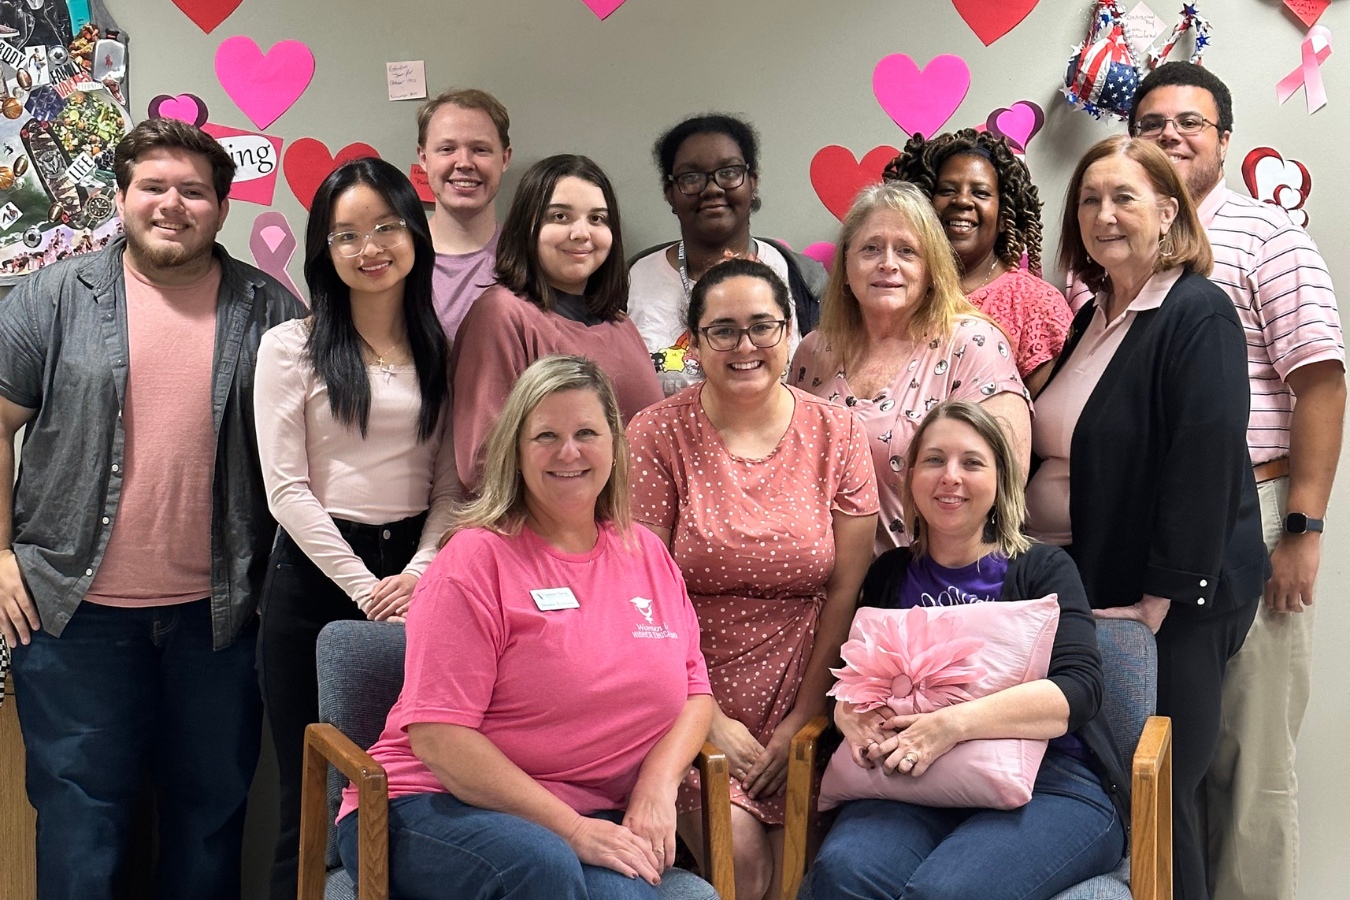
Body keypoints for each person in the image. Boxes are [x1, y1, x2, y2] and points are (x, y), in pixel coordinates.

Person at [0, 118, 304, 900]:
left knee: (209, 820)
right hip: (72, 615)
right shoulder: (52, 296)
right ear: (123, 197)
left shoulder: (270, 310)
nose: (173, 204)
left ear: (221, 207)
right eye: (154, 187)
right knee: (79, 823)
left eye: (193, 191)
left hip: (221, 617)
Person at [1086, 62, 1343, 900]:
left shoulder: (1266, 235)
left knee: (1251, 754)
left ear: (1223, 139)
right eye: (1153, 122)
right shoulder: (1106, 257)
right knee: (1176, 762)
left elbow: (1322, 381)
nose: (1171, 135)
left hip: (1255, 510)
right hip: (1151, 531)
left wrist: (1301, 527)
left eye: (1190, 122)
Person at [335, 355, 714, 900]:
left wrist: (657, 785)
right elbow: (439, 738)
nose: (569, 452)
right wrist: (576, 831)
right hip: (429, 805)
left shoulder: (647, 554)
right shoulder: (474, 560)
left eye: (587, 432)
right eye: (546, 436)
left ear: (615, 445)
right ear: (515, 449)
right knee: (540, 869)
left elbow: (695, 693)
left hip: (586, 815)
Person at [1028, 135, 1267, 900]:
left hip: (1169, 605)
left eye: (1124, 197)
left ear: (1169, 211)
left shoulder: (1196, 311)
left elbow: (1205, 459)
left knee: (1163, 796)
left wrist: (1159, 603)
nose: (1103, 214)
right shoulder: (1093, 316)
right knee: (1117, 794)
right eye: (1090, 199)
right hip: (1098, 588)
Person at [627, 258, 878, 900]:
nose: (746, 346)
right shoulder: (656, 433)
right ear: (694, 340)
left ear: (791, 330)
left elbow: (847, 589)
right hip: (687, 695)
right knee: (744, 866)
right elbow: (642, 597)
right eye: (723, 330)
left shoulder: (839, 430)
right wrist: (702, 713)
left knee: (809, 876)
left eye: (763, 326)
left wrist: (805, 713)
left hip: (808, 690)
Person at [810, 399, 1126, 900]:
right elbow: (852, 677)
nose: (950, 477)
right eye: (934, 460)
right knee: (843, 874)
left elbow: (1079, 691)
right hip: (913, 781)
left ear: (1000, 481)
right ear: (910, 477)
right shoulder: (889, 575)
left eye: (972, 463)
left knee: (946, 893)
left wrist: (951, 725)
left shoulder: (1041, 569)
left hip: (1052, 784)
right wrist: (847, 712)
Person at [253, 157, 457, 900]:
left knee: (412, 786)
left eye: (385, 227)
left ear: (414, 235)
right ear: (324, 251)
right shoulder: (290, 347)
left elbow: (451, 483)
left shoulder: (442, 347)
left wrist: (421, 572)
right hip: (313, 577)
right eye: (346, 235)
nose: (369, 247)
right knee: (305, 800)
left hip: (418, 576)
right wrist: (367, 588)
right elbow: (286, 489)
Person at [790, 181, 1029, 555]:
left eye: (907, 251)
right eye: (871, 248)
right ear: (847, 266)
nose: (888, 263)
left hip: (927, 589)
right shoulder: (813, 352)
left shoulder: (972, 344)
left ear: (931, 268)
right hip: (818, 581)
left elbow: (1003, 487)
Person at [452, 154, 662, 491]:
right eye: (560, 216)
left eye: (597, 218)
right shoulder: (502, 315)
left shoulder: (620, 323)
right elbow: (484, 461)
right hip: (555, 535)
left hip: (637, 532)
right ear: (527, 226)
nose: (581, 233)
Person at [628, 113, 828, 394]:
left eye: (729, 172)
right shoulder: (631, 282)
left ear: (752, 181)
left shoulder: (804, 280)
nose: (711, 188)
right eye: (691, 177)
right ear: (669, 193)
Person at [884, 129, 1072, 393]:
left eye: (981, 193)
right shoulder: (894, 287)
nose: (962, 200)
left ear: (1005, 215)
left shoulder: (1035, 303)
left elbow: (1050, 422)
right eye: (947, 190)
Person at [415, 87, 512, 342]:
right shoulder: (395, 258)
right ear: (424, 158)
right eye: (447, 149)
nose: (464, 163)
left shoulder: (528, 258)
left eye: (480, 149)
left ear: (505, 158)